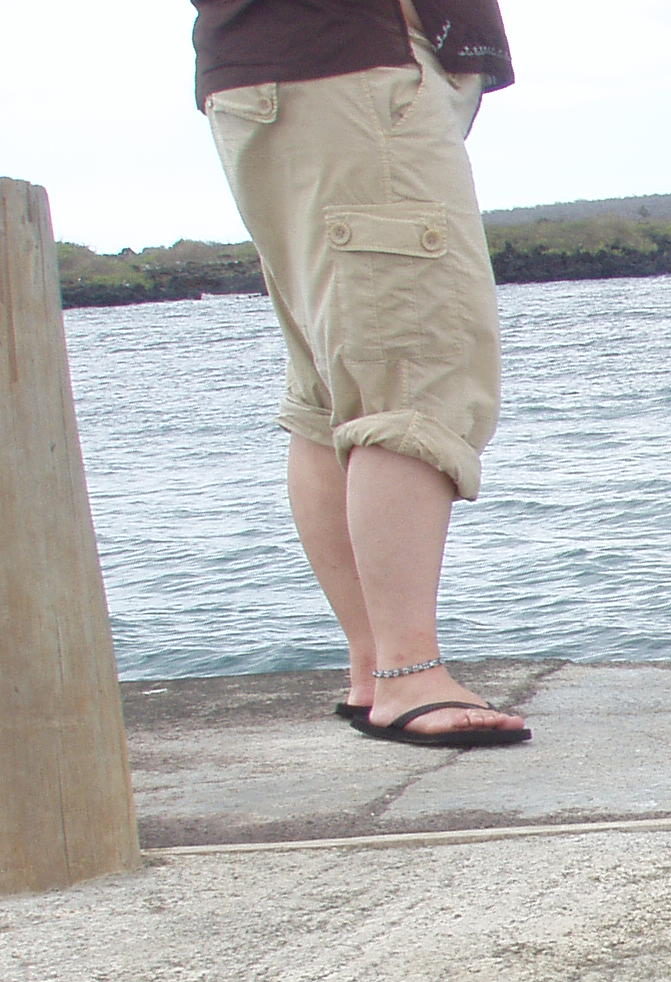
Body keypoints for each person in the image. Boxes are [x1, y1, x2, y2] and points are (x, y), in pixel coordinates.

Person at [193, 0, 529, 745]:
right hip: (357, 62)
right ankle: (408, 672)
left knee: (331, 388)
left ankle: (379, 664)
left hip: (277, 67)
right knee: (414, 371)